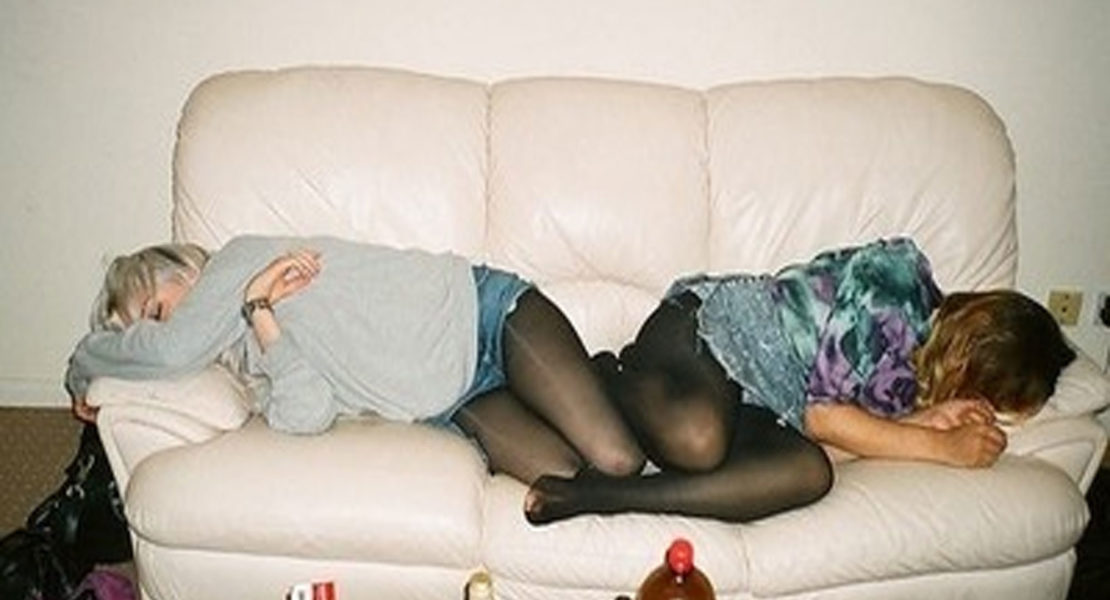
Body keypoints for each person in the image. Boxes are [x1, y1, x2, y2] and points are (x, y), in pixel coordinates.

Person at [522, 238, 1077, 525]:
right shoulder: (898, 283)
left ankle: (602, 497)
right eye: (983, 393)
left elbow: (824, 443)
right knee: (697, 440)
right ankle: (609, 375)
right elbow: (823, 415)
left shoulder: (908, 393)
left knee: (809, 473)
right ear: (972, 350)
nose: (977, 408)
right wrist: (939, 446)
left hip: (755, 407)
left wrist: (924, 423)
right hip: (711, 334)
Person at [65, 235, 646, 485]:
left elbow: (169, 351)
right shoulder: (245, 349)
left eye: (155, 310)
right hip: (459, 399)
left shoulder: (234, 261)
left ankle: (610, 380)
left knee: (617, 459)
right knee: (568, 477)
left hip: (485, 315)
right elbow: (308, 412)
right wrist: (260, 312)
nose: (160, 332)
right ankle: (596, 379)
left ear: (180, 269)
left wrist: (84, 366)